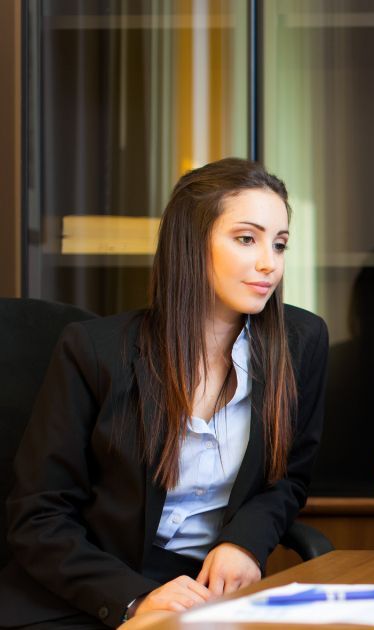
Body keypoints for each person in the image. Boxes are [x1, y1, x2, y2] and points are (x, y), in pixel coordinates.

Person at [0, 158, 329, 628]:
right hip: (91, 587)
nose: (268, 263)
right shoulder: (95, 351)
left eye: (279, 244)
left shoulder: (301, 342)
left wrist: (244, 543)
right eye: (246, 239)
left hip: (208, 588)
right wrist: (135, 599)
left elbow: (287, 479)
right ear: (191, 243)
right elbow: (38, 517)